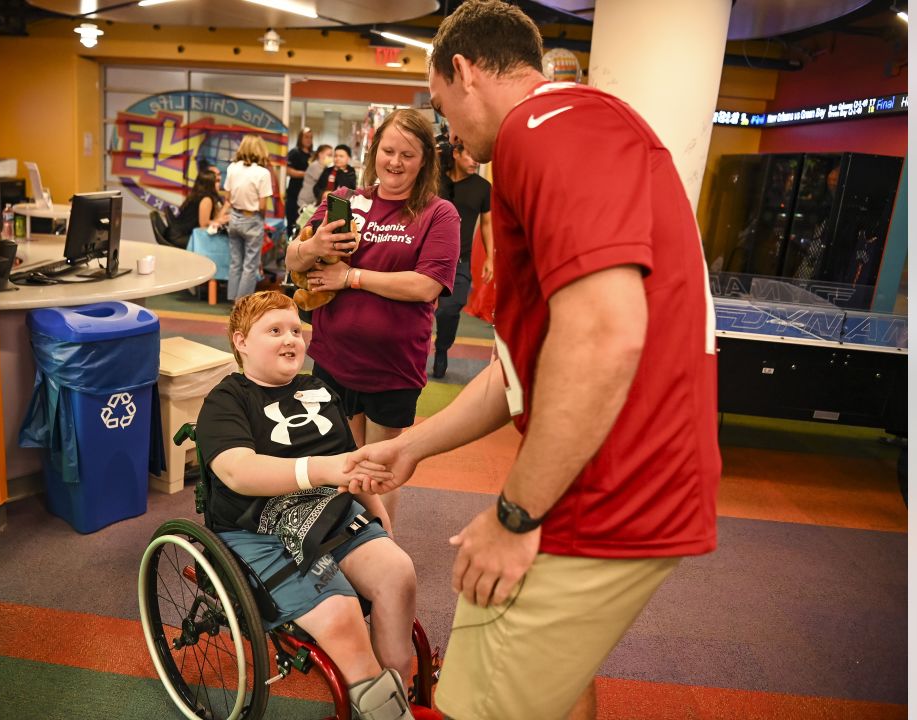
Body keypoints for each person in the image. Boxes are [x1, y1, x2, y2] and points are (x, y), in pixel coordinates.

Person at [345, 2, 722, 719]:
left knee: (478, 701)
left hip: (603, 491)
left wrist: (515, 516)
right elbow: (520, 369)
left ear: (463, 70)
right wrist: (415, 447)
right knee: (552, 686)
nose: (449, 132)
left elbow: (606, 335)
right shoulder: (572, 132)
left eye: (440, 106)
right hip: (621, 479)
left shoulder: (543, 130)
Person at [194, 290, 424, 720]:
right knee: (341, 614)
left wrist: (378, 512)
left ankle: (400, 688)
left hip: (330, 510)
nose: (291, 339)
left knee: (398, 572)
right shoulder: (226, 401)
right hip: (255, 527)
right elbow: (239, 472)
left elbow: (349, 458)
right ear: (241, 341)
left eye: (296, 330)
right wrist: (319, 470)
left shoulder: (317, 389)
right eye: (275, 330)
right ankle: (382, 707)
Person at [286, 108, 460, 527]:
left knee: (379, 475)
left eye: (408, 154)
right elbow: (291, 257)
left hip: (392, 367)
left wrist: (351, 277)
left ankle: (383, 551)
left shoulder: (439, 214)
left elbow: (426, 285)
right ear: (374, 151)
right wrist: (313, 247)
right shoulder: (345, 201)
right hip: (334, 358)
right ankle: (347, 549)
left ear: (425, 161)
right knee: (343, 466)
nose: (395, 162)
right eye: (388, 151)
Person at [432, 141, 494, 379]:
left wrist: (491, 257)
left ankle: (442, 348)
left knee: (449, 309)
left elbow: (487, 223)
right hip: (427, 257)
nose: (476, 161)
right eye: (470, 155)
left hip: (460, 260)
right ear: (456, 154)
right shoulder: (435, 182)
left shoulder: (483, 187)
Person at [222, 134, 274, 301]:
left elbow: (227, 197)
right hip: (252, 219)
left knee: (235, 263)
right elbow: (263, 205)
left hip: (234, 217)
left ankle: (232, 299)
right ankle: (242, 303)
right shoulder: (262, 173)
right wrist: (261, 220)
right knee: (250, 265)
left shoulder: (232, 168)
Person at [165, 164, 229, 249]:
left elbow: (212, 220)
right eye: (217, 181)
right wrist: (220, 220)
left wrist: (226, 205)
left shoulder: (200, 195)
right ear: (209, 183)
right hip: (179, 237)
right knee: (220, 243)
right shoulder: (206, 199)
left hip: (178, 233)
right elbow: (204, 225)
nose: (219, 184)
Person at [285, 126, 314, 232]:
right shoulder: (294, 152)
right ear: (300, 138)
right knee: (293, 222)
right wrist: (307, 174)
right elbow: (288, 171)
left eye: (310, 137)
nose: (308, 140)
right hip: (295, 194)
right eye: (306, 137)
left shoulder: (313, 154)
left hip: (309, 197)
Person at [299, 143, 334, 209]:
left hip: (312, 202)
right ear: (320, 154)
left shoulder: (324, 168)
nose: (331, 158)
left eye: (332, 155)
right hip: (305, 202)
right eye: (329, 155)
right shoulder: (315, 166)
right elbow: (324, 182)